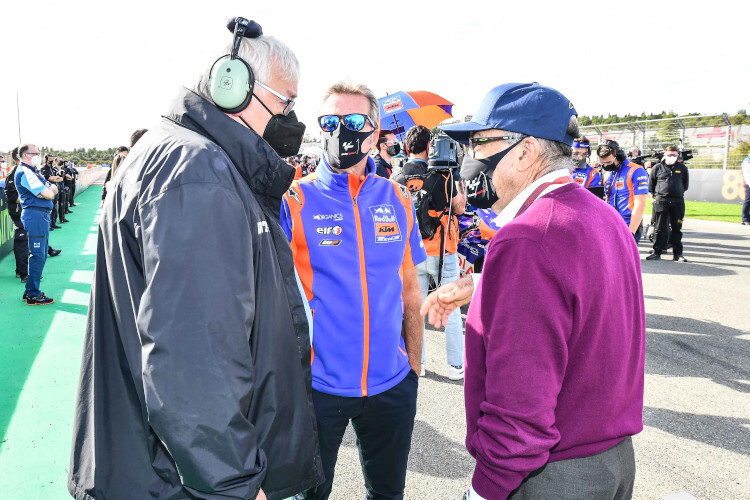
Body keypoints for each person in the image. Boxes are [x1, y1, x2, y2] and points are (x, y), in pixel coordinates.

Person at [68, 18, 323, 500]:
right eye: (287, 101)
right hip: (180, 483)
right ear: (234, 87)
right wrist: (235, 481)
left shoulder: (181, 156)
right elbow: (192, 364)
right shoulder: (200, 174)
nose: (292, 118)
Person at [424, 82, 646, 499]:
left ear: (524, 152)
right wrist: (487, 285)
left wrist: (485, 489)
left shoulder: (528, 237)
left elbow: (520, 405)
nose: (472, 158)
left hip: (551, 476)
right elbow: (580, 301)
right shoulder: (600, 215)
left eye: (481, 143)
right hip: (612, 461)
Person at [281, 81, 426, 500]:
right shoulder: (295, 199)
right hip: (319, 388)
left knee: (387, 495)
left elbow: (411, 291)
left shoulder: (397, 197)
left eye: (354, 120)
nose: (341, 129)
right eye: (331, 120)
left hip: (391, 385)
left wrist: (413, 370)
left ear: (376, 131)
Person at [392, 125, 466, 380]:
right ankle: (456, 366)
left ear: (407, 148)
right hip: (444, 248)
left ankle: (418, 363)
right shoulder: (444, 173)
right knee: (452, 308)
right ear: (428, 147)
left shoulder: (398, 175)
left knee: (416, 308)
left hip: (412, 252)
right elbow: (459, 208)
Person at [14, 144, 57, 305]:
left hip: (41, 215)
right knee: (38, 254)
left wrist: (50, 190)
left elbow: (53, 190)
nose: (39, 155)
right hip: (35, 215)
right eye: (36, 153)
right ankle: (32, 294)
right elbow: (49, 193)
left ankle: (30, 290)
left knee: (42, 253)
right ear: (26, 155)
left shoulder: (33, 172)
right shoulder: (25, 172)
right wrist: (49, 190)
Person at [599, 139, 649, 243]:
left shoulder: (636, 170)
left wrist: (631, 232)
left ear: (619, 156)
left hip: (628, 225)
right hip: (611, 225)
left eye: (609, 162)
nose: (606, 166)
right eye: (603, 163)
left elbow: (640, 204)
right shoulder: (609, 173)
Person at [646, 146, 689, 262]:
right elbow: (651, 184)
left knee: (677, 228)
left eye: (674, 155)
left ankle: (678, 254)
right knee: (659, 228)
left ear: (678, 155)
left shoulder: (682, 168)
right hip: (661, 201)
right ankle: (657, 252)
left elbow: (685, 185)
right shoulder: (657, 168)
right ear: (665, 155)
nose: (672, 157)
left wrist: (676, 192)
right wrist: (656, 195)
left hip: (677, 201)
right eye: (670, 155)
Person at [4, 148, 29, 282]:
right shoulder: (15, 172)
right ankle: (24, 273)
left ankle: (20, 270)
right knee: (22, 241)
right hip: (19, 213)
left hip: (25, 212)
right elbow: (11, 196)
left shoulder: (25, 171)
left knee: (23, 241)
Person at [41, 155, 64, 229]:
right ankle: (48, 224)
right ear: (46, 160)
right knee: (50, 208)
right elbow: (49, 178)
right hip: (48, 191)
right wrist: (54, 178)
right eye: (50, 159)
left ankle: (53, 223)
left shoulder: (52, 169)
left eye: (52, 159)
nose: (51, 160)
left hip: (55, 190)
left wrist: (55, 178)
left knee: (54, 207)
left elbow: (60, 178)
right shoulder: (44, 168)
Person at [742, 150, 750, 225]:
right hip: (748, 183)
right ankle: (744, 218)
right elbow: (747, 174)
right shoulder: (747, 162)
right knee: (748, 201)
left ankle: (747, 218)